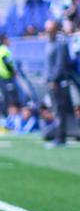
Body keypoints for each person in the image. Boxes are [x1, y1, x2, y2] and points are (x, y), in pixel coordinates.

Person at [45, 19, 73, 148]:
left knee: (60, 110)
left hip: (58, 83)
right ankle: (59, 135)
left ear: (55, 29)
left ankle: (61, 137)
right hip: (51, 82)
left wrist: (54, 79)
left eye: (49, 28)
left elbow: (60, 65)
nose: (47, 31)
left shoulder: (60, 44)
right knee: (55, 110)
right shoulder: (49, 43)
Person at [0, 35, 20, 111]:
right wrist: (12, 71)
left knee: (5, 95)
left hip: (0, 76)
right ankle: (9, 112)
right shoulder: (4, 50)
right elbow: (6, 62)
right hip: (6, 76)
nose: (9, 41)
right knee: (10, 96)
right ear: (4, 40)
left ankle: (6, 112)